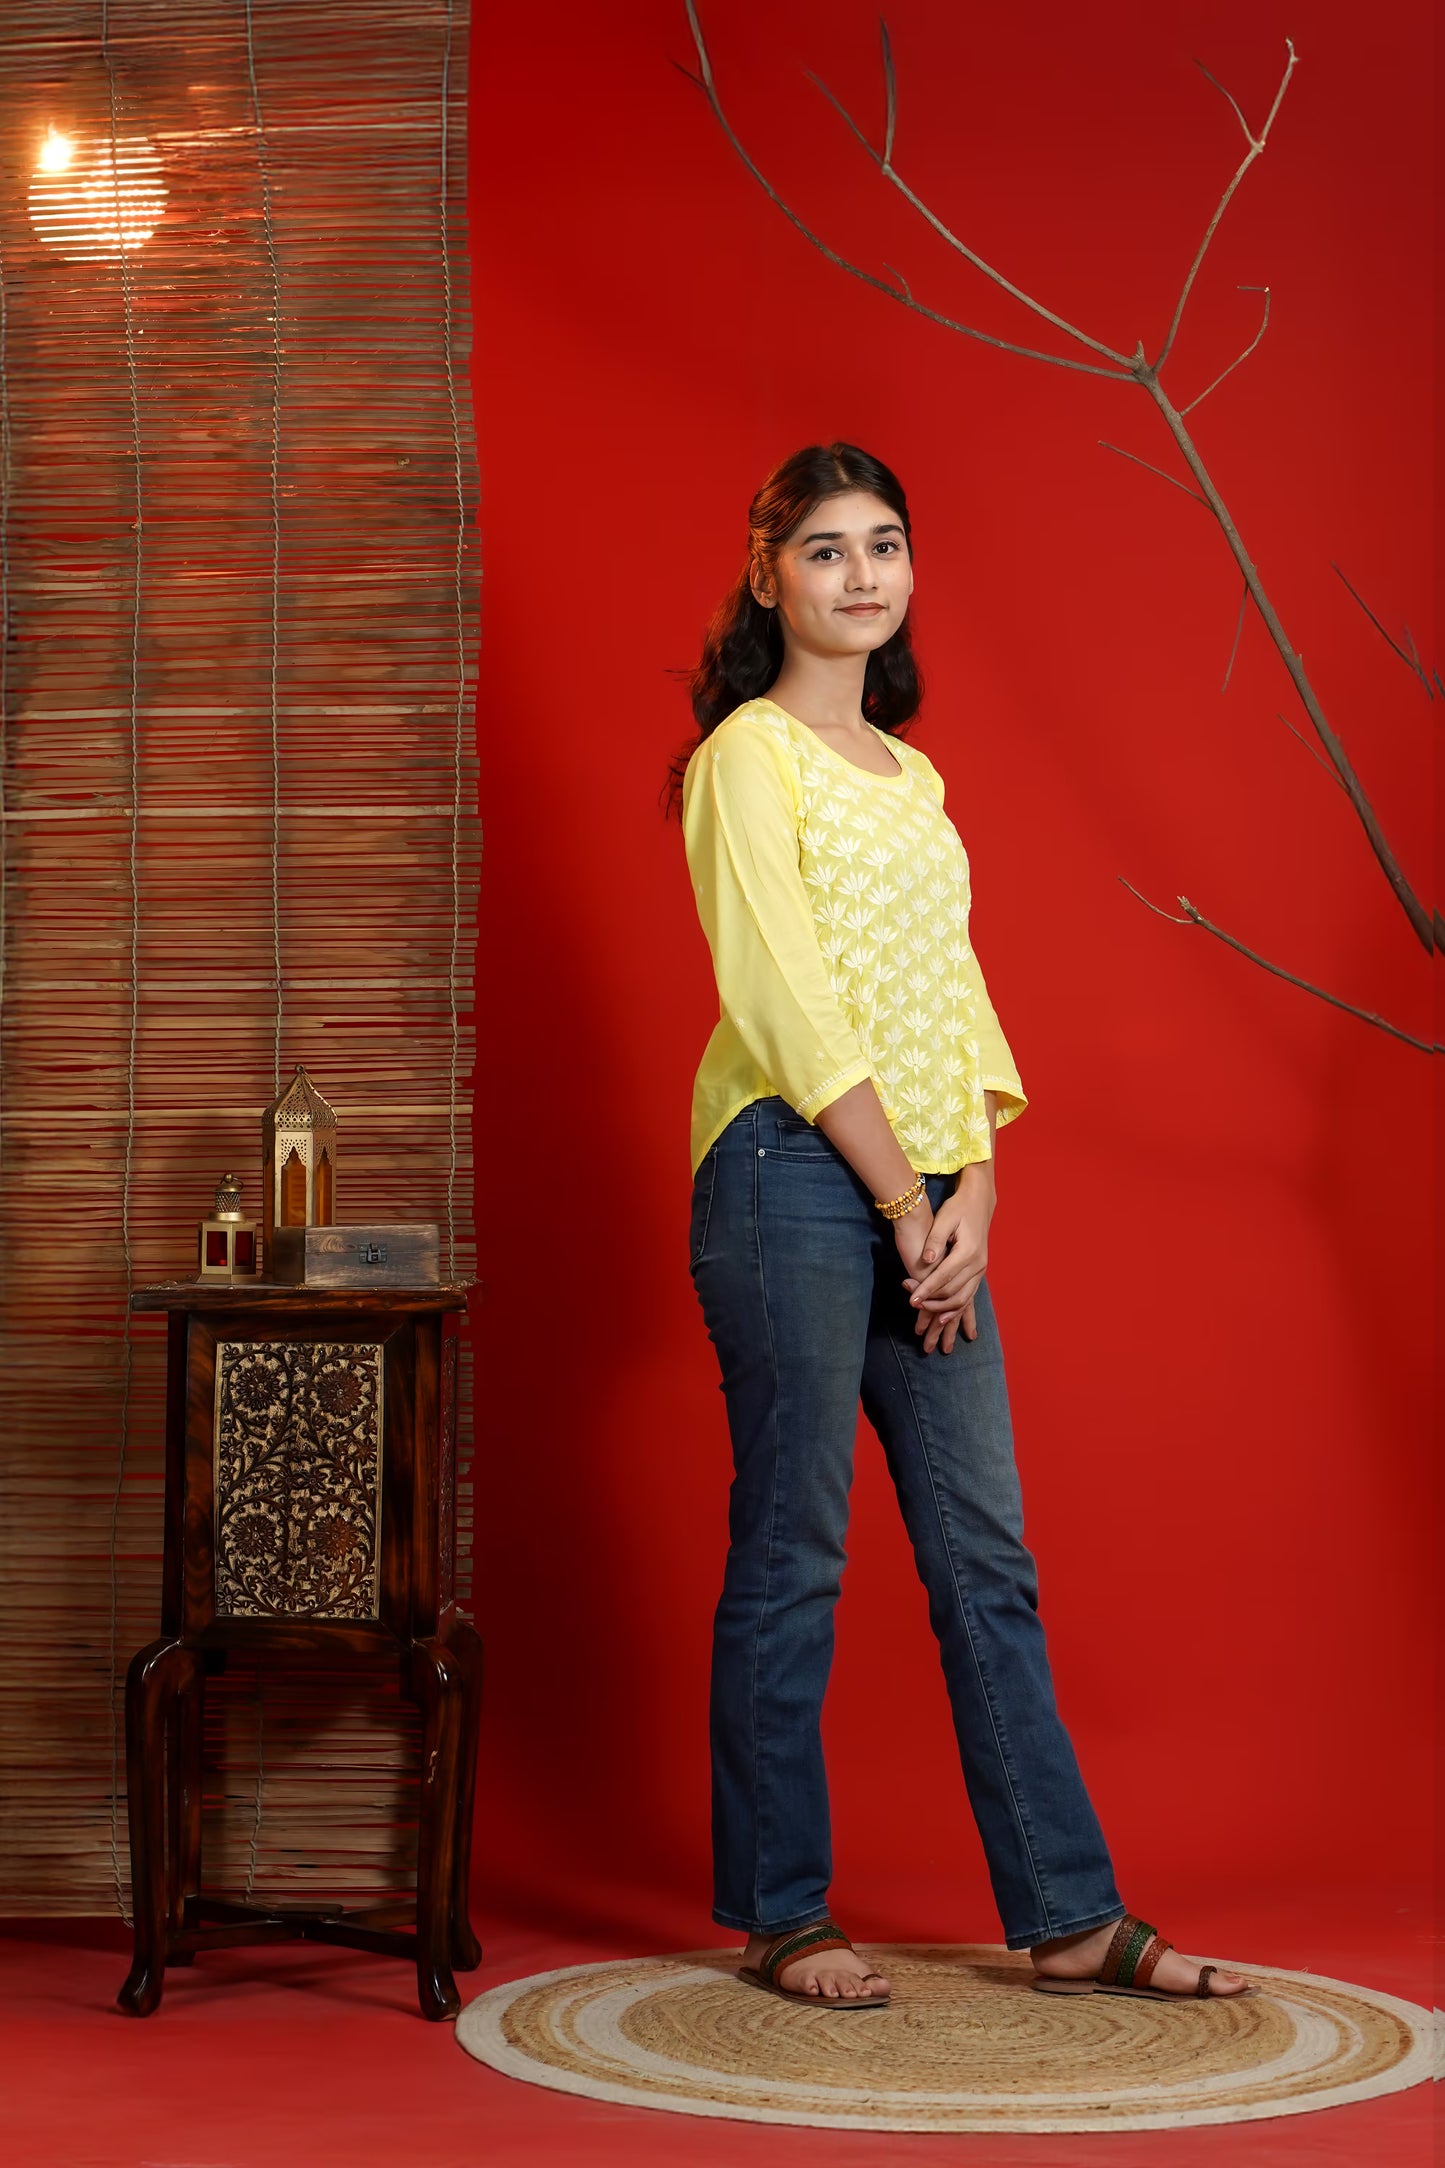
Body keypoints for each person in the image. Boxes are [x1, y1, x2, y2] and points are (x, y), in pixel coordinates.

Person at [667, 441, 1250, 2012]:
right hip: (791, 1175)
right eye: (825, 550)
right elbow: (781, 999)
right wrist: (901, 1193)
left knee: (984, 1554)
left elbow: (954, 999)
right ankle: (783, 1912)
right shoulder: (746, 756)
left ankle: (1064, 1912)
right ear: (766, 572)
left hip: (926, 1190)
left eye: (885, 547)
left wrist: (974, 1196)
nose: (860, 576)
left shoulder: (913, 780)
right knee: (795, 1548)